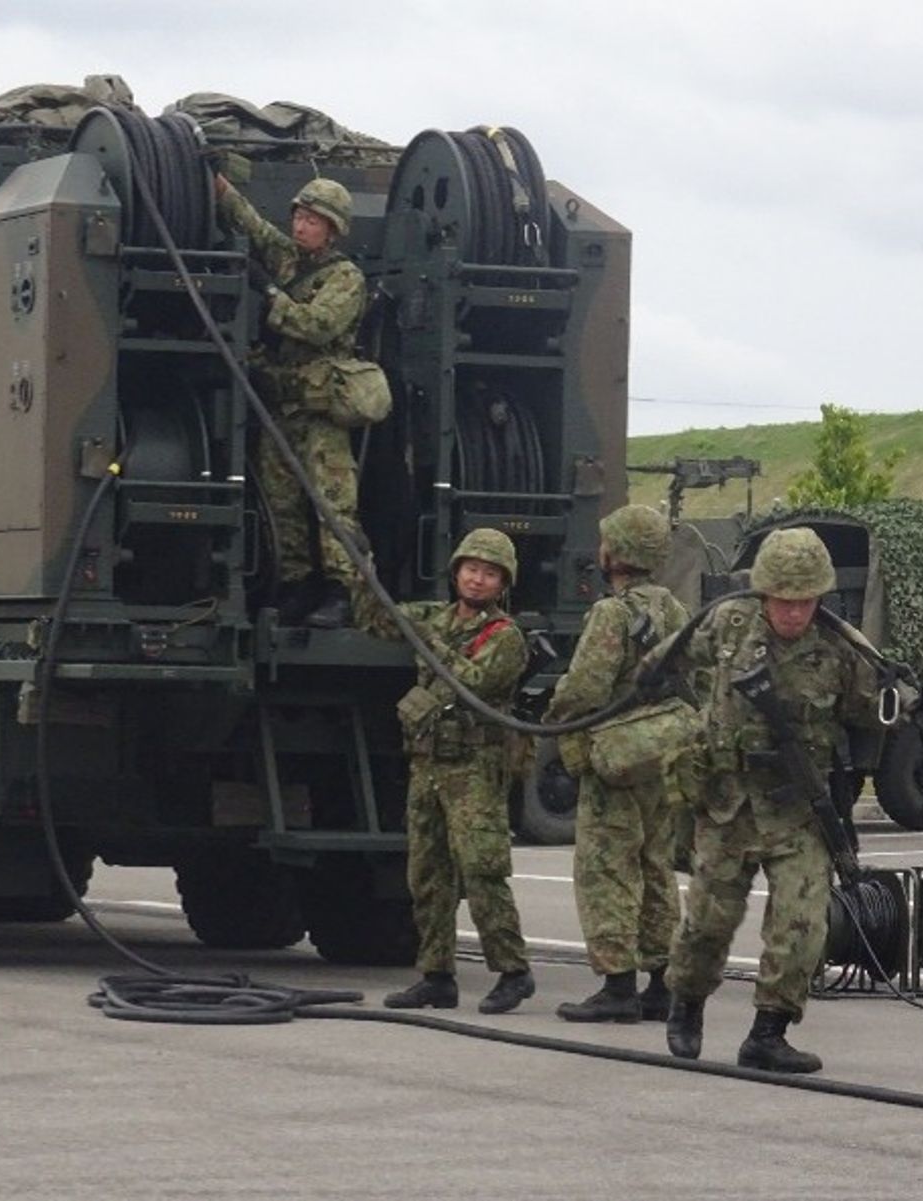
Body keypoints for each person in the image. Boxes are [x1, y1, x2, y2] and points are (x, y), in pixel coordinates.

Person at [649, 527, 888, 1073]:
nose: (795, 612)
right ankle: (686, 1003)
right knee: (707, 923)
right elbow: (665, 662)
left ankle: (768, 1033)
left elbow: (877, 705)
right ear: (763, 593)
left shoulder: (839, 648)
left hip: (798, 810)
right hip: (728, 804)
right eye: (784, 600)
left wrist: (896, 696)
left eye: (806, 601)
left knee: (802, 924)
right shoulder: (728, 625)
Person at [378, 528, 535, 1014]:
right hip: (428, 764)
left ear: (503, 583)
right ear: (456, 572)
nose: (477, 580)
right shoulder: (437, 618)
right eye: (471, 569)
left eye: (489, 574)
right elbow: (383, 617)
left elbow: (472, 682)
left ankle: (513, 971)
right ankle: (436, 975)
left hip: (474, 768)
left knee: (482, 869)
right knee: (427, 874)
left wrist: (430, 642)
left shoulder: (504, 636)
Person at [544, 504, 689, 1023]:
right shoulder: (674, 608)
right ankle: (661, 985)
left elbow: (586, 687)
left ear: (617, 552)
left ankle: (617, 985)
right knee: (656, 865)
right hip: (660, 753)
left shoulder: (612, 613)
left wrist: (553, 713)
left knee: (606, 867)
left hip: (616, 756)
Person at [213, 170, 367, 629]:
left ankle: (341, 592)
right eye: (298, 217)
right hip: (282, 407)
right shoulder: (286, 258)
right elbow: (253, 225)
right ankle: (296, 586)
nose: (300, 226)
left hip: (320, 412)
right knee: (282, 504)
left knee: (332, 504)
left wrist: (269, 296)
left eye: (312, 221)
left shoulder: (345, 278)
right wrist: (219, 185)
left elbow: (317, 326)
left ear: (332, 230)